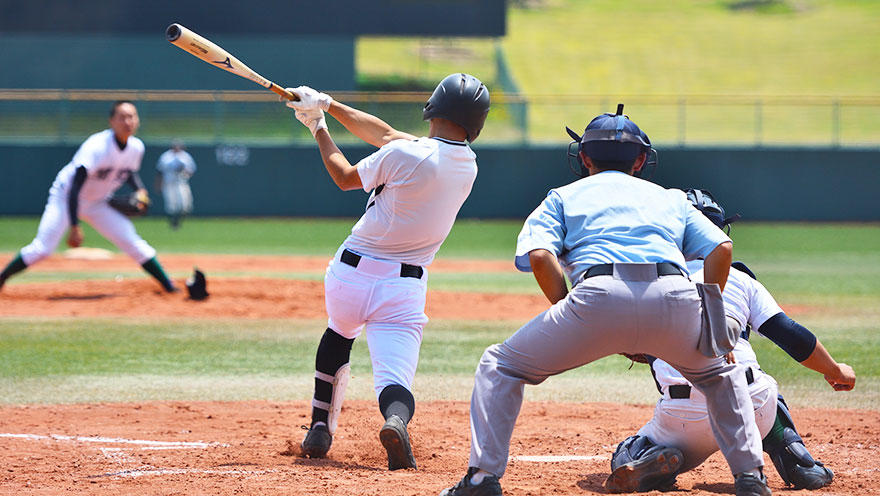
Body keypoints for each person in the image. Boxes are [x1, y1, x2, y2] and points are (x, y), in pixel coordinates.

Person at [440, 105, 772, 496]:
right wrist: (712, 323)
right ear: (641, 159)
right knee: (720, 375)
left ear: (583, 157)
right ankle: (750, 478)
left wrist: (569, 311)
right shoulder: (670, 198)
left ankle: (481, 480)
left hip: (596, 295)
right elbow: (721, 249)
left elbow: (541, 256)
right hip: (674, 297)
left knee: (501, 366)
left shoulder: (562, 196)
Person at [282, 74, 490, 470]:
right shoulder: (468, 164)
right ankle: (395, 420)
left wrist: (319, 127)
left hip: (349, 274)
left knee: (339, 335)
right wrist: (328, 103)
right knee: (394, 379)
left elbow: (345, 177)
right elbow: (389, 134)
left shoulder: (405, 155)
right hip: (404, 286)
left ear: (434, 106)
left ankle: (320, 425)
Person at [605, 189, 855, 493]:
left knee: (626, 453)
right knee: (764, 391)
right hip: (750, 406)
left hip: (683, 421)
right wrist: (835, 369)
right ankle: (799, 462)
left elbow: (618, 338)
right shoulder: (740, 278)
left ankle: (650, 458)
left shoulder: (646, 281)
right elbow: (791, 335)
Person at [0, 101, 177, 293]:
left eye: (132, 116)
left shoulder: (136, 147)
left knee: (131, 240)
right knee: (43, 248)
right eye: (122, 117)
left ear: (138, 120)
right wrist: (75, 226)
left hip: (98, 202)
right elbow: (75, 186)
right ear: (111, 121)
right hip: (66, 198)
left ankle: (170, 287)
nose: (128, 121)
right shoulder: (97, 146)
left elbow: (128, 172)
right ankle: (2, 278)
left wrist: (140, 190)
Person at [155, 139, 197, 230]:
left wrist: (183, 170)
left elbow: (191, 170)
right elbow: (160, 172)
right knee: (171, 206)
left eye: (179, 146)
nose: (177, 147)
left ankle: (178, 221)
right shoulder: (166, 156)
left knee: (185, 205)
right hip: (169, 183)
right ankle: (173, 223)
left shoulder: (185, 156)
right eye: (175, 145)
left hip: (181, 182)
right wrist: (158, 184)